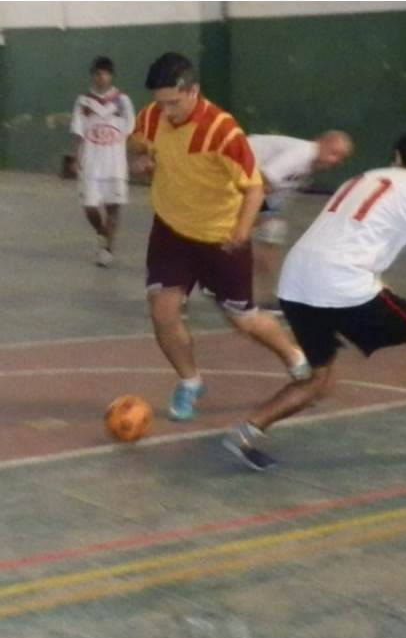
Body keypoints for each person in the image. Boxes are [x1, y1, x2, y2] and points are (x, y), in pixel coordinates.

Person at [222, 133, 406, 470]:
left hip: (295, 279)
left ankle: (245, 432)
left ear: (397, 157)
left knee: (319, 378)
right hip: (341, 280)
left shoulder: (363, 178)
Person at [129, 52, 310, 421]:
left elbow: (255, 188)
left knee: (242, 319)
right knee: (162, 311)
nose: (166, 112)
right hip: (171, 231)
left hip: (219, 237)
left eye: (174, 103)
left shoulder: (222, 131)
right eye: (160, 103)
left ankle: (296, 359)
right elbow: (135, 142)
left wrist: (241, 231)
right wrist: (140, 159)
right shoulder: (153, 115)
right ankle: (190, 381)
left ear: (193, 91)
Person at [248, 131, 354, 311]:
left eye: (341, 158)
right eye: (334, 153)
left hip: (246, 182)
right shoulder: (302, 153)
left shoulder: (310, 166)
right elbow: (262, 178)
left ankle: (265, 297)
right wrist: (249, 216)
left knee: (272, 233)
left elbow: (275, 197)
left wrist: (262, 215)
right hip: (224, 169)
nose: (336, 161)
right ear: (320, 143)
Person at [69, 56, 135, 267]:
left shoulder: (122, 101)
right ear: (93, 76)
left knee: (113, 207)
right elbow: (78, 131)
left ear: (111, 75)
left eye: (105, 73)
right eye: (97, 74)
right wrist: (76, 157)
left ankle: (107, 250)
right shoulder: (83, 101)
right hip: (91, 163)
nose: (101, 77)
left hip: (115, 164)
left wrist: (133, 159)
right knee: (89, 206)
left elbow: (130, 133)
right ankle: (102, 233)